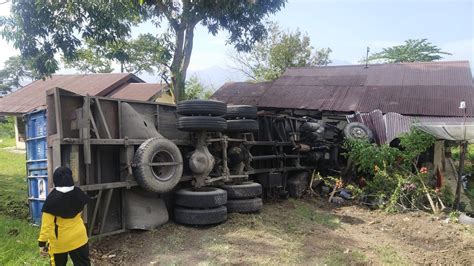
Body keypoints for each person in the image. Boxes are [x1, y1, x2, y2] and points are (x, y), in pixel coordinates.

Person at [38, 166, 91, 266]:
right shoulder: (79, 193)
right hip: (80, 237)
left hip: (60, 242)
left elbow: (47, 226)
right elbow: (80, 213)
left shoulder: (51, 200)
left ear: (55, 180)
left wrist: (41, 244)